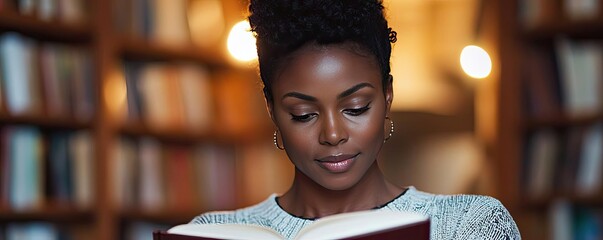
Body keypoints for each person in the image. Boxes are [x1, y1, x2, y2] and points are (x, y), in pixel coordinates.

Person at [191, 0, 521, 239]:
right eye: (303, 115)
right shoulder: (213, 234)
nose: (333, 134)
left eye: (356, 107)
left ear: (387, 95)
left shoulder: (468, 226)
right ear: (271, 109)